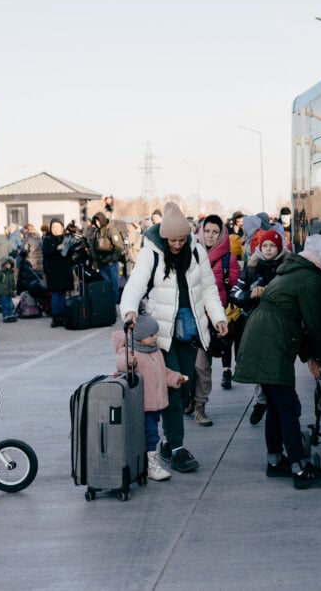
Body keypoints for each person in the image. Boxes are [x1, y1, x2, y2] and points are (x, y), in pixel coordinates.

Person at [120, 201, 228, 474]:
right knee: (172, 387)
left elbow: (208, 290)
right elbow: (135, 284)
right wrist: (129, 310)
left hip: (190, 330)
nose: (178, 245)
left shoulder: (197, 250)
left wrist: (218, 318)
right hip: (163, 332)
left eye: (182, 239)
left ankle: (169, 442)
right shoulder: (150, 252)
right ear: (164, 237)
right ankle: (175, 446)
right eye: (173, 240)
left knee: (184, 385)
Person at [233, 233, 321, 490]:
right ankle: (299, 467)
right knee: (288, 407)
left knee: (276, 405)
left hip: (262, 335)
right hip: (271, 342)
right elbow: (314, 324)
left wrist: (309, 355)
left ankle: (275, 460)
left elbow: (295, 323)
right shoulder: (311, 278)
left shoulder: (292, 272)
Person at [113, 314, 185, 482]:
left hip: (155, 404)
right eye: (151, 335)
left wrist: (176, 378)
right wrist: (128, 362)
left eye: (156, 334)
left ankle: (146, 463)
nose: (155, 338)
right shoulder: (131, 351)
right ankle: (152, 465)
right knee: (151, 434)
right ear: (139, 336)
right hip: (142, 405)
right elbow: (121, 363)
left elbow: (163, 372)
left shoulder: (155, 351)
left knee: (150, 433)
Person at [230, 228, 287, 418]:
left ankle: (274, 402)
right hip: (254, 324)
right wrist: (250, 295)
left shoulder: (287, 268)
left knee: (276, 366)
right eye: (265, 246)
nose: (269, 249)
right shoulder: (251, 267)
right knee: (258, 366)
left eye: (272, 246)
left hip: (279, 326)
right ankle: (261, 401)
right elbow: (235, 294)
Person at [190, 215, 240, 425]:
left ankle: (200, 405)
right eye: (207, 231)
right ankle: (189, 398)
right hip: (188, 317)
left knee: (202, 366)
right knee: (185, 365)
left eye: (214, 232)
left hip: (211, 320)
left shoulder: (229, 259)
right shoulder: (189, 254)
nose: (210, 236)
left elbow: (234, 288)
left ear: (221, 234)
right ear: (200, 231)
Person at [42, 219, 73, 328]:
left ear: (62, 227)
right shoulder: (47, 239)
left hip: (65, 270)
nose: (55, 229)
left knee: (63, 294)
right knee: (56, 294)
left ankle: (63, 316)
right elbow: (45, 253)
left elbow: (70, 254)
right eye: (53, 227)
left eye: (58, 226)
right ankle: (55, 317)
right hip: (53, 271)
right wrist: (56, 248)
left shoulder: (66, 238)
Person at [90, 211, 124, 287]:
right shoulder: (97, 232)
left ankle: (115, 299)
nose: (97, 223)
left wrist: (112, 260)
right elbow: (94, 248)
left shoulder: (111, 230)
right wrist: (95, 261)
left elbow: (119, 246)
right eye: (95, 222)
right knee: (106, 285)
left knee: (114, 285)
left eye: (98, 221)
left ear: (102, 220)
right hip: (101, 263)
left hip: (110, 263)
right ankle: (109, 298)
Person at [0, 257, 17, 323]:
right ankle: (5, 317)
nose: (8, 266)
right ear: (4, 265)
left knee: (10, 305)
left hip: (9, 292)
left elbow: (12, 282)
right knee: (4, 306)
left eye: (9, 264)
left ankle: (11, 315)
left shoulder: (11, 273)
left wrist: (14, 289)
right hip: (2, 293)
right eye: (7, 264)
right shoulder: (1, 272)